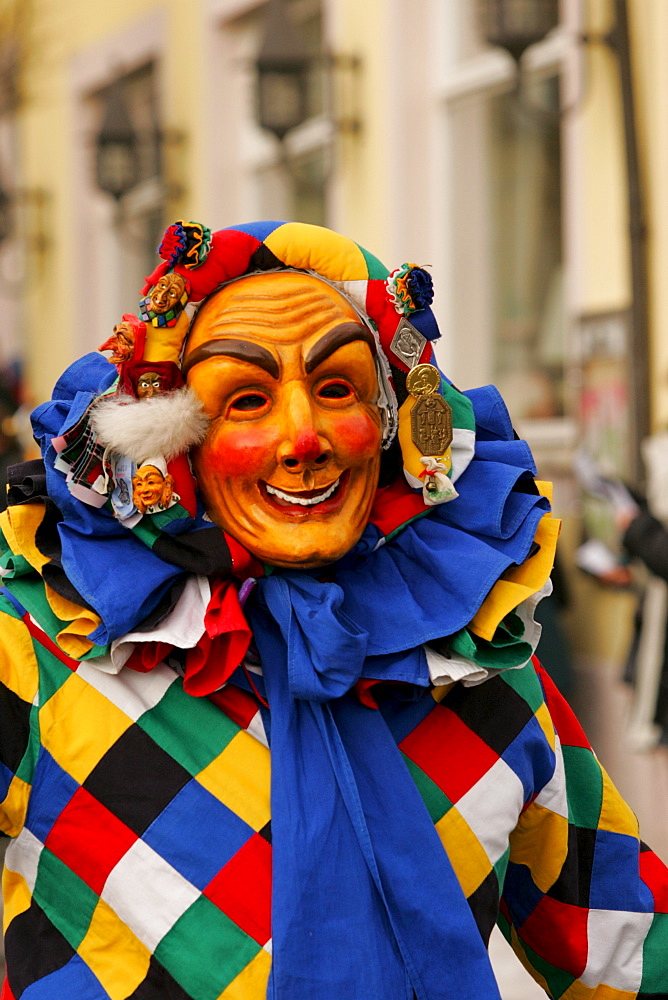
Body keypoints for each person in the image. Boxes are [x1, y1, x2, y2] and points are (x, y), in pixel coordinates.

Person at [0, 219, 666, 1000]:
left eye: (337, 389)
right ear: (176, 445)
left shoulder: (481, 675)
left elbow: (622, 948)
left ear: (393, 427)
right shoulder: (45, 646)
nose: (304, 437)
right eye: (246, 400)